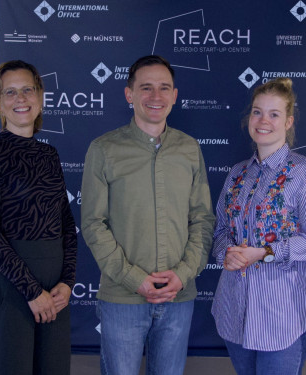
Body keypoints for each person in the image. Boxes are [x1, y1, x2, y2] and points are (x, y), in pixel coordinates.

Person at [80, 55, 215, 375]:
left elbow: (202, 219)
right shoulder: (103, 150)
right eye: (146, 88)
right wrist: (133, 278)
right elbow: (93, 224)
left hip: (178, 298)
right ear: (129, 94)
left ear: (175, 95)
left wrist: (182, 274)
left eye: (164, 88)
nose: (156, 96)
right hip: (122, 299)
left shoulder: (189, 148)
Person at [210, 77, 306, 374]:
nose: (263, 121)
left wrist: (264, 252)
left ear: (288, 122)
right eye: (257, 112)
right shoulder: (237, 173)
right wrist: (226, 252)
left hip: (283, 315)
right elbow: (221, 229)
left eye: (274, 114)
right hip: (236, 309)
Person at [0, 60, 77, 375]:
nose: (21, 99)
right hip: (13, 286)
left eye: (27, 90)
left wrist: (67, 283)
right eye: (11, 92)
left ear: (40, 96)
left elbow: (67, 227)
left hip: (55, 285)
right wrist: (32, 291)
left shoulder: (49, 155)